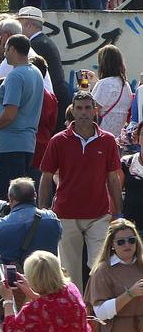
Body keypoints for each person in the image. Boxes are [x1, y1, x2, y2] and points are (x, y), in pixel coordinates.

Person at [40, 91, 122, 285]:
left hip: (99, 214)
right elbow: (46, 177)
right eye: (79, 108)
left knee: (101, 268)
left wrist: (118, 213)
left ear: (95, 111)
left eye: (87, 108)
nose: (83, 112)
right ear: (73, 111)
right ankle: (76, 312)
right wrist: (42, 210)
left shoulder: (108, 140)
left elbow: (113, 178)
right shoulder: (58, 140)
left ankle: (98, 309)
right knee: (69, 272)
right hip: (66, 214)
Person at [0, 35, 42, 200]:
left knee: (8, 196)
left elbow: (10, 113)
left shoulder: (16, 76)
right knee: (23, 194)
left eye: (6, 49)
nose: (5, 53)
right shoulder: (35, 72)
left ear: (13, 49)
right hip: (27, 143)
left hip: (11, 145)